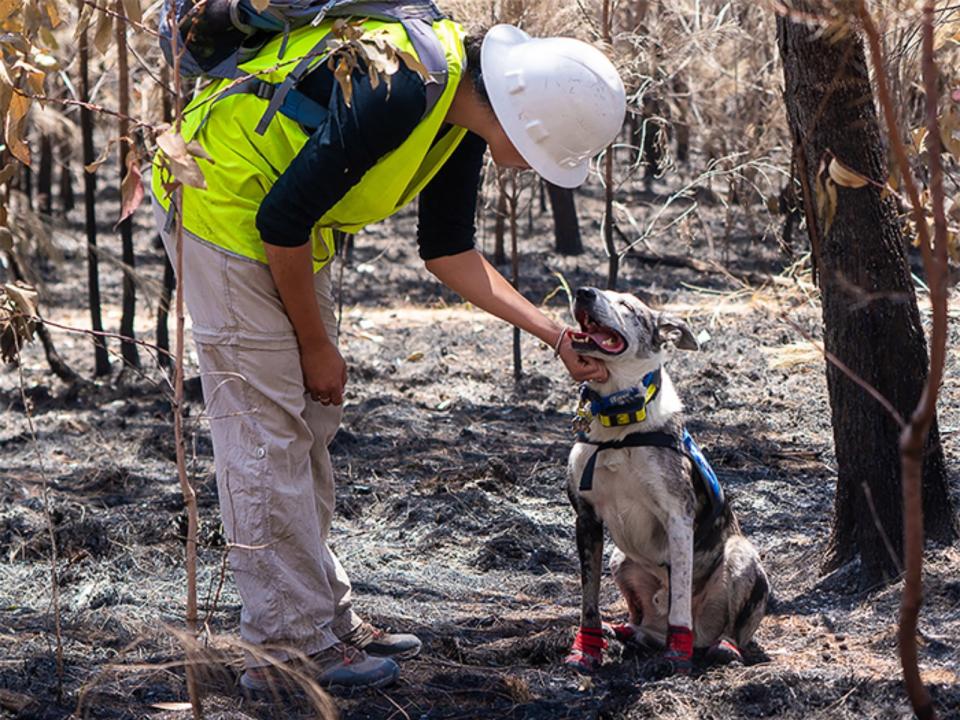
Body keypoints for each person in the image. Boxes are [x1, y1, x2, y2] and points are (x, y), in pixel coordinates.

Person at [151, 9, 625, 692]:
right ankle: (288, 648)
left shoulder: (459, 105)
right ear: (529, 125)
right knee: (265, 432)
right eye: (551, 155)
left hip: (273, 219)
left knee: (305, 426)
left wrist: (554, 334)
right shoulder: (403, 88)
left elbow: (449, 252)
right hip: (219, 203)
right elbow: (280, 221)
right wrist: (316, 347)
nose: (540, 170)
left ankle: (324, 620)